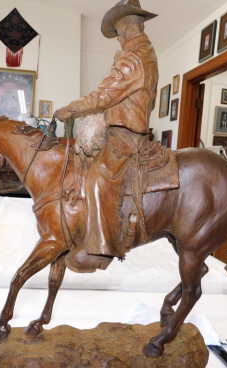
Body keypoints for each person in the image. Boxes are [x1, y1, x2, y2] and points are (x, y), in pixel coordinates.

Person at [55, 0, 159, 266]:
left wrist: (70, 109)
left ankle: (102, 250)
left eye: (119, 33)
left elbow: (103, 96)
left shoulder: (133, 57)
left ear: (127, 29)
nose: (119, 39)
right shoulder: (144, 53)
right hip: (125, 128)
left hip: (125, 133)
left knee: (98, 178)